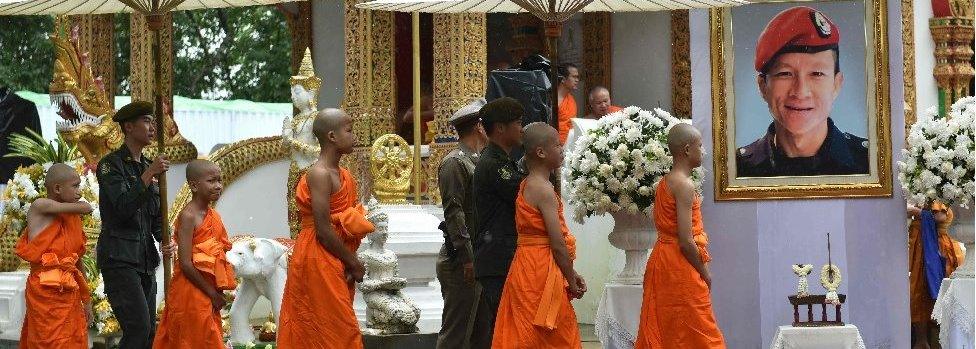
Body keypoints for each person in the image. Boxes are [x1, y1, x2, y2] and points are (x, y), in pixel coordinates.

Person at [277, 108, 375, 348]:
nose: (354, 136)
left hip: (336, 252)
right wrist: (353, 262)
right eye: (349, 130)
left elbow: (347, 220)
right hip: (318, 253)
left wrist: (349, 258)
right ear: (332, 136)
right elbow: (322, 229)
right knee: (335, 328)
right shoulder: (319, 174)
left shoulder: (344, 175)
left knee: (335, 326)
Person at [736, 6, 868, 177]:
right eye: (785, 74)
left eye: (817, 73)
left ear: (836, 84)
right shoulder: (738, 169)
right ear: (762, 86)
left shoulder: (870, 163)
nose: (800, 92)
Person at [491, 122, 585, 348]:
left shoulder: (526, 184)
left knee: (526, 334)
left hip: (525, 266)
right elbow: (558, 245)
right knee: (551, 334)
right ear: (541, 152)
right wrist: (571, 280)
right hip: (541, 268)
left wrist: (571, 273)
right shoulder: (544, 190)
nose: (562, 149)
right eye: (557, 145)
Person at [635, 123, 725, 348]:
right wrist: (705, 272)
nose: (702, 152)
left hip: (661, 260)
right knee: (699, 329)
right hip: (679, 263)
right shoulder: (684, 185)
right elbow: (685, 241)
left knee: (670, 327)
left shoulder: (664, 182)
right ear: (686, 150)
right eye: (700, 146)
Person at [96, 100, 171, 349]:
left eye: (152, 121)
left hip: (145, 259)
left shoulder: (149, 165)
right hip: (119, 257)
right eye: (146, 121)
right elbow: (122, 208)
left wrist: (164, 240)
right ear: (129, 126)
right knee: (137, 327)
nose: (152, 128)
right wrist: (149, 174)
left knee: (149, 330)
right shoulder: (110, 165)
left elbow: (154, 215)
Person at [153, 160, 237, 348]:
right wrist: (211, 294)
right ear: (193, 185)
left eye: (219, 180)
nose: (218, 186)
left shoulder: (213, 215)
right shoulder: (188, 216)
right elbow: (185, 263)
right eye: (212, 181)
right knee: (193, 341)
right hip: (191, 289)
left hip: (207, 290)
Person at [469, 97, 526, 349]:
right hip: (498, 258)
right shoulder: (493, 164)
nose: (521, 129)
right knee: (504, 326)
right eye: (518, 123)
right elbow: (522, 192)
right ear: (501, 128)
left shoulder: (501, 161)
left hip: (500, 256)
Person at [16, 163, 92, 348]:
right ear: (57, 188)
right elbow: (85, 207)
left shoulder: (71, 217)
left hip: (69, 290)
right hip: (44, 293)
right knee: (46, 342)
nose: (79, 191)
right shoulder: (39, 207)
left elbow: (77, 260)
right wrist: (81, 204)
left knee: (73, 339)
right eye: (75, 186)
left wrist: (87, 299)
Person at [436, 98, 489, 349]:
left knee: (482, 333)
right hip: (461, 260)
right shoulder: (455, 162)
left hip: (478, 256)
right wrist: (468, 257)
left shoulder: (478, 160)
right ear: (480, 126)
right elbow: (454, 213)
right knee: (456, 335)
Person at [907, 202, 964, 349]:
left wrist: (917, 212)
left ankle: (940, 341)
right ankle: (921, 340)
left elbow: (940, 216)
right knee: (918, 293)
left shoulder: (939, 190)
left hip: (938, 248)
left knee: (940, 294)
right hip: (919, 246)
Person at [556, 63, 580, 144]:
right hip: (555, 145)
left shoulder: (571, 99)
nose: (577, 80)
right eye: (574, 77)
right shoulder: (553, 99)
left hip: (570, 143)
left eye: (577, 77)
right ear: (563, 79)